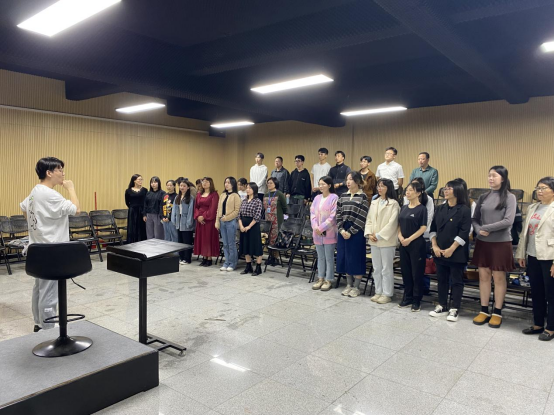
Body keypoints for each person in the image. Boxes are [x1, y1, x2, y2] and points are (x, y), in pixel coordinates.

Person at [21, 157, 80, 333]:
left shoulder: (35, 191)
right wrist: (71, 188)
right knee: (49, 293)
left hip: (37, 248)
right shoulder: (50, 194)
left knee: (40, 288)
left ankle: (39, 323)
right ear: (49, 173)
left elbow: (24, 208)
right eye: (59, 170)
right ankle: (48, 330)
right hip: (52, 251)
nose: (63, 173)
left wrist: (38, 228)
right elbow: (76, 210)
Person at [472, 166, 516, 329]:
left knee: (499, 278)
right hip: (483, 242)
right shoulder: (483, 197)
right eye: (489, 175)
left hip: (501, 243)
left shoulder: (510, 197)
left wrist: (486, 228)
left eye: (494, 176)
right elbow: (475, 219)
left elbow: (508, 221)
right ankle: (484, 310)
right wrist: (478, 230)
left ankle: (497, 311)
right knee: (483, 276)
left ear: (502, 178)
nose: (490, 178)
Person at [516, 177, 554, 341]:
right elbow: (525, 234)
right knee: (537, 291)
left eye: (544, 188)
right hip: (532, 255)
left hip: (549, 257)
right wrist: (521, 253)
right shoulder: (533, 207)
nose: (539, 191)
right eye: (538, 188)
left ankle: (551, 327)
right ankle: (538, 324)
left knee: (551, 293)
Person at [429, 180, 472, 322]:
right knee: (441, 279)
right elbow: (433, 228)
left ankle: (455, 308)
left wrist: (452, 248)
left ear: (458, 191)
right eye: (445, 188)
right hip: (439, 250)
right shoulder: (440, 208)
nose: (445, 191)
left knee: (456, 280)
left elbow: (464, 232)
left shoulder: (464, 210)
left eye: (449, 188)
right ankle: (442, 305)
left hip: (456, 251)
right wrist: (435, 246)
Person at [365, 179, 400, 305]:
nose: (379, 188)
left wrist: (379, 235)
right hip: (373, 240)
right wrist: (369, 234)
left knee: (386, 268)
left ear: (388, 188)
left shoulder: (394, 204)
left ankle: (387, 293)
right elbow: (369, 220)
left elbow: (393, 223)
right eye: (378, 186)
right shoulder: (374, 202)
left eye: (382, 186)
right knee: (377, 267)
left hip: (386, 240)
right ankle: (378, 291)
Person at [337, 172, 370, 298]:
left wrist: (351, 231)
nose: (348, 182)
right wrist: (341, 230)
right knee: (345, 257)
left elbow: (363, 216)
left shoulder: (362, 197)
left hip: (356, 231)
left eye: (351, 179)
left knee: (356, 258)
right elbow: (338, 213)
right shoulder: (343, 196)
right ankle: (348, 285)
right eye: (347, 179)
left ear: (357, 181)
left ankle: (356, 287)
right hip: (343, 230)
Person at [398, 182, 428, 312]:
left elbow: (423, 228)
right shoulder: (404, 207)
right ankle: (407, 296)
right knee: (406, 271)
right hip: (403, 243)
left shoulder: (422, 209)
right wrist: (400, 237)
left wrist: (409, 239)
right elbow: (399, 225)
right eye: (407, 190)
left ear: (418, 193)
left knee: (416, 273)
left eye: (411, 190)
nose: (408, 192)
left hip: (416, 244)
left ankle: (416, 300)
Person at [311, 176, 339, 292]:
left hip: (329, 232)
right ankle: (320, 278)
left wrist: (322, 227)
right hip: (317, 233)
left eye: (323, 184)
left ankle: (329, 279)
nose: (321, 186)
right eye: (319, 184)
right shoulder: (317, 198)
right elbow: (312, 213)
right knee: (320, 257)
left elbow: (333, 217)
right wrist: (316, 227)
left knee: (329, 257)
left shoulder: (334, 198)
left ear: (329, 185)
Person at [216, 177, 241, 272]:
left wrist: (227, 218)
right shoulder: (222, 195)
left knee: (231, 244)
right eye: (225, 182)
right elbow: (218, 209)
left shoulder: (236, 196)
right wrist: (217, 221)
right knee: (225, 244)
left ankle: (232, 263)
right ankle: (226, 262)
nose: (226, 184)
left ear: (233, 184)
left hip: (231, 222)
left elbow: (237, 211)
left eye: (229, 183)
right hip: (222, 222)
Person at [239, 183, 265, 277]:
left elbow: (257, 216)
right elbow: (239, 215)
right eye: (247, 188)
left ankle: (258, 267)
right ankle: (248, 266)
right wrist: (241, 226)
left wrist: (249, 226)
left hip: (253, 226)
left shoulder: (257, 201)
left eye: (250, 188)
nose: (248, 189)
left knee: (256, 246)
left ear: (254, 190)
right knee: (246, 246)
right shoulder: (244, 201)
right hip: (243, 225)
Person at [194, 177, 220, 267]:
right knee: (202, 239)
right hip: (200, 220)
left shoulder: (214, 194)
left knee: (208, 239)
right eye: (203, 182)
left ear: (210, 183)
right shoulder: (199, 194)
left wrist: (204, 216)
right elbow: (196, 207)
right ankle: (204, 257)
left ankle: (209, 258)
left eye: (206, 182)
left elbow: (213, 208)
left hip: (209, 220)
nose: (204, 183)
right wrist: (198, 216)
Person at [264, 177, 288, 266]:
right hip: (268, 219)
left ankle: (276, 257)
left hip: (277, 219)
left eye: (271, 183)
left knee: (275, 238)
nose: (269, 184)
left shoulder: (279, 194)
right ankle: (270, 256)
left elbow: (285, 207)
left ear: (275, 184)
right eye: (268, 183)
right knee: (268, 238)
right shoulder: (266, 194)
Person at [171, 180, 195, 265]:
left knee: (187, 241)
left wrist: (189, 222)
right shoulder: (177, 197)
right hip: (179, 220)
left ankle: (187, 258)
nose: (182, 187)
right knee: (180, 241)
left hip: (186, 221)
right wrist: (173, 219)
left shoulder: (191, 198)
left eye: (184, 186)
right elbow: (174, 209)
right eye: (181, 186)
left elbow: (191, 211)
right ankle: (181, 257)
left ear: (188, 187)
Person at [125, 174, 147, 244]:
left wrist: (144, 213)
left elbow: (146, 202)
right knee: (133, 227)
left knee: (142, 227)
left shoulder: (145, 190)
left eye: (141, 179)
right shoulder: (128, 191)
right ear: (134, 180)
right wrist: (132, 208)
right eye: (139, 179)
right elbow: (127, 202)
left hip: (142, 211)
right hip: (132, 211)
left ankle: (142, 243)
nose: (141, 181)